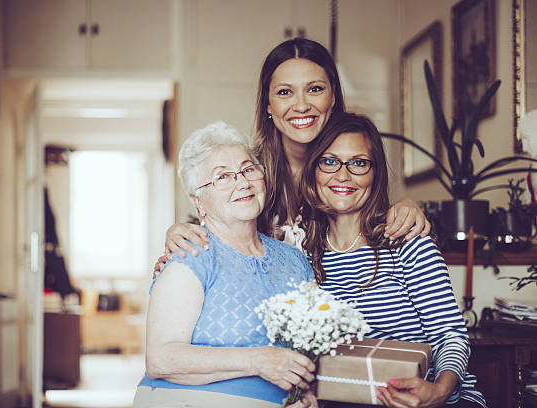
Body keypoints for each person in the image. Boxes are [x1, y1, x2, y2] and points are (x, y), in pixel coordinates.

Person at [160, 38, 429, 266]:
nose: (301, 105)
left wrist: (406, 206)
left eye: (315, 89)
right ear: (268, 103)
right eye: (285, 92)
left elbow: (372, 224)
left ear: (333, 97)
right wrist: (179, 232)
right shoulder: (248, 171)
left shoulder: (347, 173)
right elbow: (211, 227)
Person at [299, 112, 486, 408]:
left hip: (435, 398)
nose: (343, 175)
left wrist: (438, 392)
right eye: (329, 161)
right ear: (313, 170)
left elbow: (449, 335)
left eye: (358, 163)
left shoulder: (407, 243)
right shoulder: (300, 253)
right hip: (348, 397)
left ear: (376, 174)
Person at [134, 121, 318, 408]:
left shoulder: (293, 259)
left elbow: (309, 348)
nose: (242, 182)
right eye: (222, 177)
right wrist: (257, 360)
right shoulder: (191, 254)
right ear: (199, 201)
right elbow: (160, 359)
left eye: (248, 170)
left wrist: (307, 396)